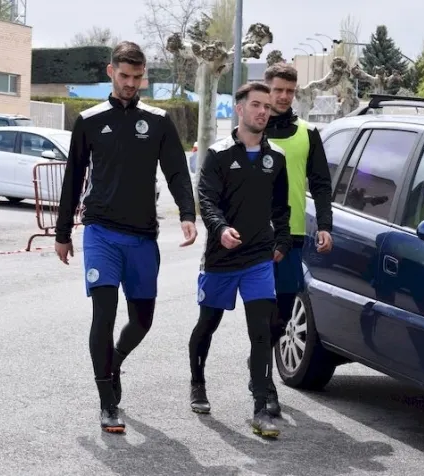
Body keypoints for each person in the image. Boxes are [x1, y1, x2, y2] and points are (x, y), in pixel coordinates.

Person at [54, 41, 198, 434]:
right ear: (111, 72)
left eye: (137, 77)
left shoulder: (158, 121)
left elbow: (177, 171)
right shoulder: (88, 120)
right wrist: (63, 233)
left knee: (142, 320)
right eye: (124, 76)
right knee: (104, 314)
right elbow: (73, 179)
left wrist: (188, 214)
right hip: (100, 232)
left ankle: (114, 361)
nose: (131, 83)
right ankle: (107, 401)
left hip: (142, 237)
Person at [189, 82, 292, 438]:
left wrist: (282, 238)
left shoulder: (276, 158)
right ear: (239, 109)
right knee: (208, 324)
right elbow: (207, 200)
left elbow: (281, 207)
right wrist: (220, 229)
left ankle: (261, 408)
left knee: (261, 331)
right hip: (221, 257)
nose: (263, 111)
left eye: (267, 107)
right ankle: (197, 382)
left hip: (258, 257)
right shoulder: (218, 154)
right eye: (256, 105)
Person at [258, 63, 334, 415]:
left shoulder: (308, 133)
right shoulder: (253, 129)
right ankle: (263, 379)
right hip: (254, 234)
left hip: (293, 235)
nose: (284, 96)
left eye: (290, 91)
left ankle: (259, 360)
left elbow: (321, 183)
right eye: (278, 90)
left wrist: (325, 225)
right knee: (259, 308)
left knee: (285, 309)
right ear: (267, 89)